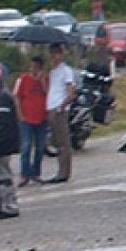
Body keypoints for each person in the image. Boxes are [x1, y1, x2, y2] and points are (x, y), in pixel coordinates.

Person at [0, 63, 21, 218]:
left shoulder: (1, 97)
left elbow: (4, 126)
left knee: (2, 176)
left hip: (0, 145)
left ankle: (10, 206)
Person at [12, 56, 48, 187]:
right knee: (26, 147)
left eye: (36, 67)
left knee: (40, 147)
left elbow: (49, 94)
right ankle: (24, 174)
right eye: (32, 67)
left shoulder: (46, 80)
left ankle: (36, 173)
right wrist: (20, 115)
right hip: (26, 118)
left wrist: (42, 81)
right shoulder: (22, 79)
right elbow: (16, 97)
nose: (33, 70)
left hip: (42, 118)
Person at [44, 43, 75, 184]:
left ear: (61, 54)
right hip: (51, 106)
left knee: (63, 142)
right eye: (51, 53)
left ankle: (64, 172)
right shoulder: (52, 71)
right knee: (56, 142)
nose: (53, 56)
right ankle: (60, 170)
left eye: (56, 53)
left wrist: (61, 107)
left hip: (59, 109)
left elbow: (70, 93)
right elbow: (49, 89)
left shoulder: (66, 71)